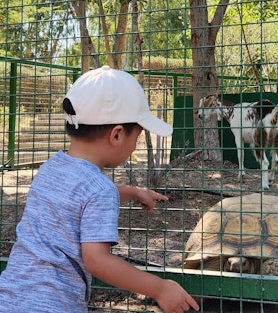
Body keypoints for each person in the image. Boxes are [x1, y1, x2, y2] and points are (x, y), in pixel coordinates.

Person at [0, 66, 200, 313]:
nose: (135, 145)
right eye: (137, 136)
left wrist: (134, 191)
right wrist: (160, 288)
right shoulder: (99, 189)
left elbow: (77, 199)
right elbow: (97, 260)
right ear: (116, 135)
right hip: (55, 305)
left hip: (11, 296)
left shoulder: (52, 167)